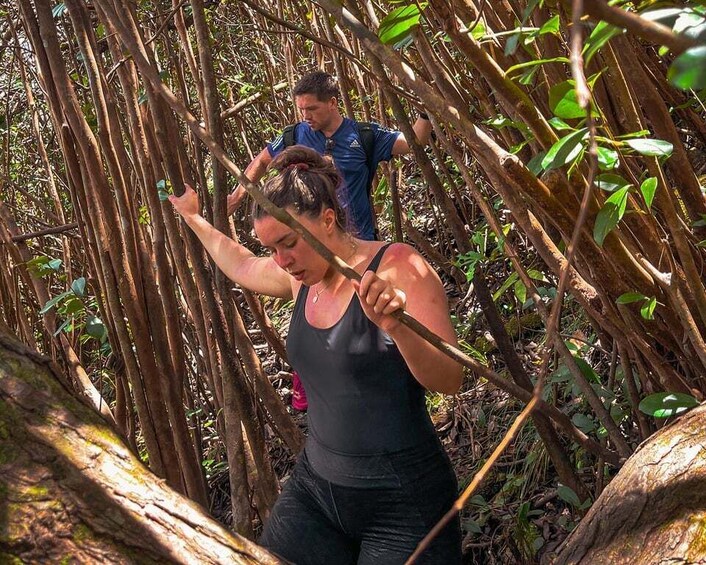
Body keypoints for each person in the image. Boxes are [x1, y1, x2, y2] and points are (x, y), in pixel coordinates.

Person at [171, 146, 462, 564]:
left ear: (327, 220)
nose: (282, 261)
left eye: (288, 243)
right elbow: (242, 266)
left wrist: (397, 327)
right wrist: (192, 217)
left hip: (403, 503)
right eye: (273, 249)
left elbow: (450, 379)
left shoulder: (397, 265)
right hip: (317, 490)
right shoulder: (301, 280)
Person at [227, 70, 432, 241]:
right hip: (313, 245)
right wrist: (236, 198)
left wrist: (426, 111)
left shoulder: (364, 135)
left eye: (312, 109)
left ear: (332, 103)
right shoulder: (294, 135)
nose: (306, 116)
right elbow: (262, 161)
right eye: (301, 110)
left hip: (359, 241)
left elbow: (413, 141)